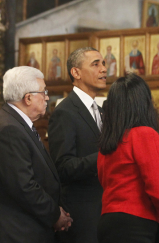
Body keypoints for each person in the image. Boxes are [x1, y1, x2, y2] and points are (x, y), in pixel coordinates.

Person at [0, 66, 72, 243]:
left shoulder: (14, 123)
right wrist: (54, 214)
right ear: (28, 98)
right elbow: (24, 187)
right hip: (14, 232)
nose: (47, 97)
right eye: (44, 91)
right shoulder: (8, 129)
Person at [97, 73, 159, 243]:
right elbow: (158, 186)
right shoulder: (145, 134)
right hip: (137, 223)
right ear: (144, 103)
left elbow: (103, 179)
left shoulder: (109, 140)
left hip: (107, 222)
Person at [48, 47, 107, 243]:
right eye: (96, 64)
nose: (103, 69)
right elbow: (63, 167)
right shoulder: (65, 112)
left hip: (106, 211)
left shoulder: (101, 110)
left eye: (104, 63)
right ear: (76, 72)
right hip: (82, 217)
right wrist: (105, 157)